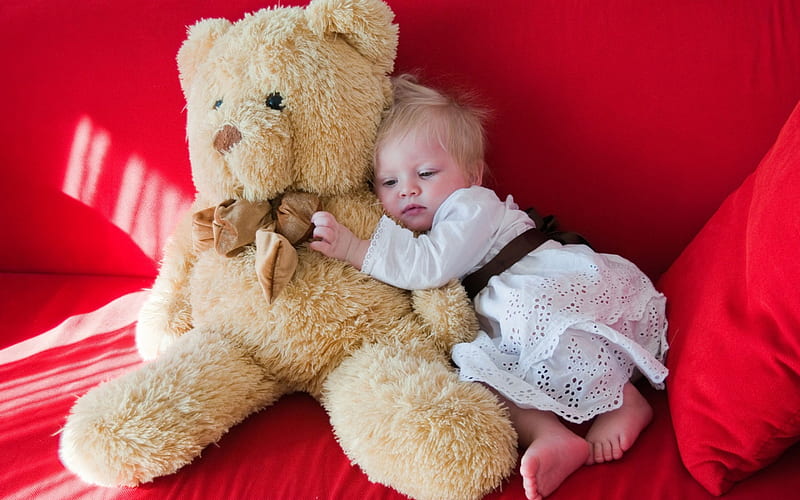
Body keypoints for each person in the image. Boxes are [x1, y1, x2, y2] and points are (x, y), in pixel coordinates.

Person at [310, 74, 668, 500]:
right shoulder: (422, 222)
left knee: (552, 329)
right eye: (388, 183)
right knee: (479, 373)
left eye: (426, 172)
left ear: (473, 174)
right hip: (501, 313)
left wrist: (354, 247)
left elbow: (431, 266)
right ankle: (550, 435)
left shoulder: (470, 206)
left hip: (540, 288)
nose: (407, 189)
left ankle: (624, 398)